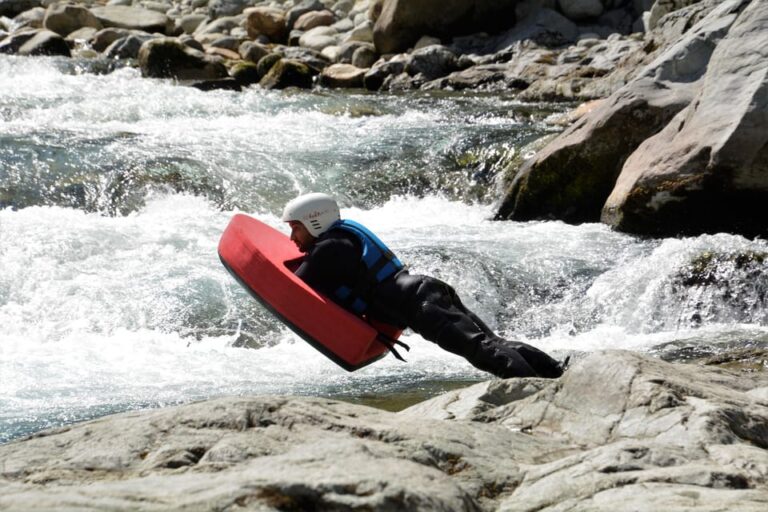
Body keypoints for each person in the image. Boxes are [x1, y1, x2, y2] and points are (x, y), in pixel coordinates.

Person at [282, 192, 566, 379]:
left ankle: (532, 389)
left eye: (295, 228)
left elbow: (293, 286)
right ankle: (555, 372)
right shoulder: (341, 239)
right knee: (493, 343)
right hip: (426, 290)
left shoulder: (329, 247)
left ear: (314, 222)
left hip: (421, 305)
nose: (292, 236)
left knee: (481, 351)